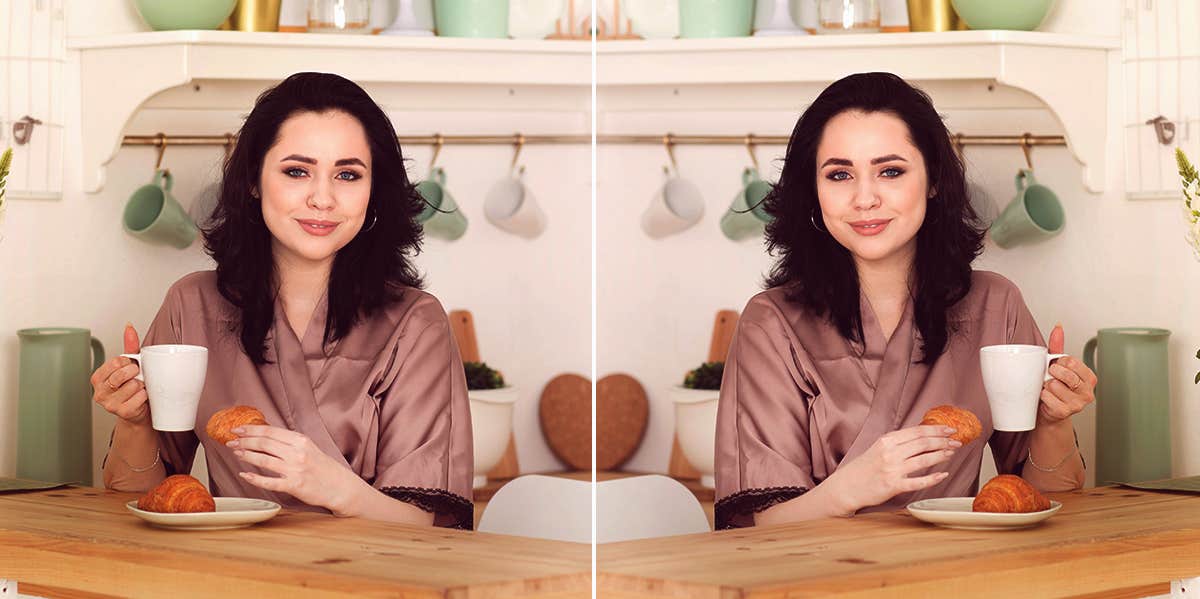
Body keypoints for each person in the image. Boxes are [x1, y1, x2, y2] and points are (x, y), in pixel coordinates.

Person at [90, 72, 473, 529]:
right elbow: (145, 499)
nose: (323, 199)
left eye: (347, 175)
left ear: (373, 194)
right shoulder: (192, 304)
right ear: (254, 180)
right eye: (297, 171)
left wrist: (334, 487)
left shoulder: (415, 323)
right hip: (230, 577)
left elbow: (434, 530)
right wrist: (133, 421)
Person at [713, 72, 1094, 529]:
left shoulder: (996, 305)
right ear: (813, 191)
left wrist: (1054, 420)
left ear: (933, 179)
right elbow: (752, 530)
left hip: (957, 577)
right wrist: (852, 488)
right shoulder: (771, 322)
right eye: (839, 175)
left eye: (890, 171)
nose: (864, 198)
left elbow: (1042, 501)